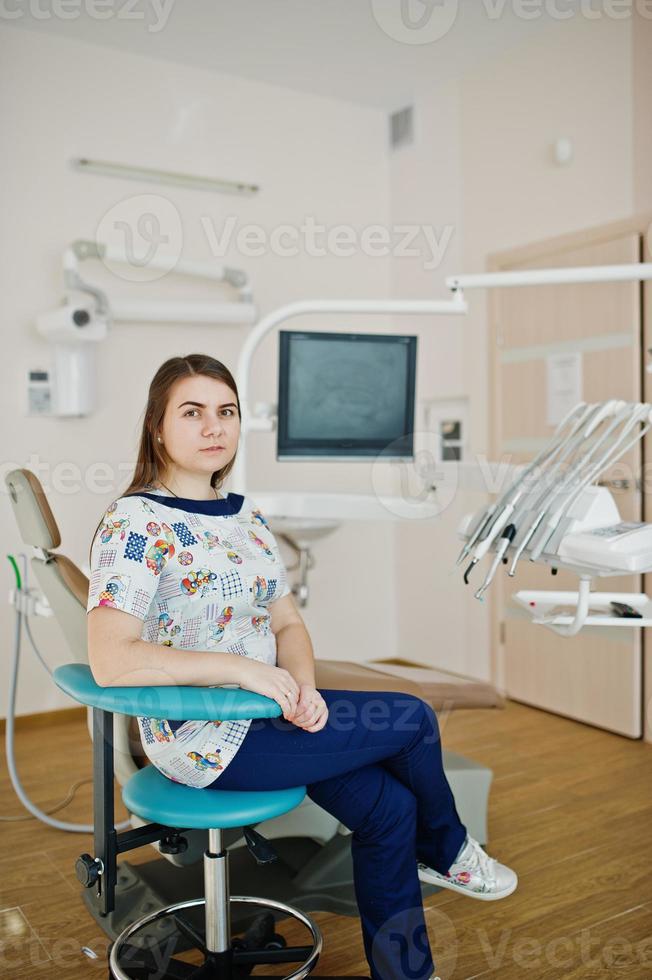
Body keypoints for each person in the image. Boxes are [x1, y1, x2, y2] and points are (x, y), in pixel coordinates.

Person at [87, 353, 517, 980]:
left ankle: (406, 973)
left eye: (226, 412)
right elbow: (110, 659)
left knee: (390, 809)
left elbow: (287, 623)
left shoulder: (247, 516)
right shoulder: (136, 523)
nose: (214, 427)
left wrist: (305, 686)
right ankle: (449, 849)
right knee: (414, 719)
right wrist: (241, 672)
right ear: (158, 428)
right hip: (205, 737)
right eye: (193, 412)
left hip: (275, 715)